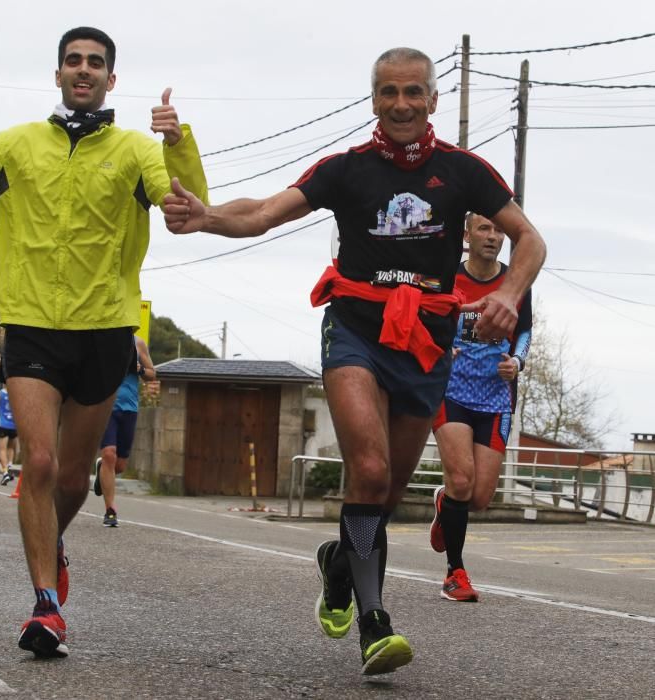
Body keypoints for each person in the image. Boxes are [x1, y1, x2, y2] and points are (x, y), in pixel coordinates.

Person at [163, 47, 546, 675]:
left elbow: (531, 237)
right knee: (366, 471)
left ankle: (337, 567)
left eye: (413, 92)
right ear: (374, 100)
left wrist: (507, 292)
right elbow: (261, 214)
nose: (401, 104)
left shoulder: (464, 171)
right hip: (356, 331)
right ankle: (375, 623)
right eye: (389, 93)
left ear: (432, 100)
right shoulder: (345, 170)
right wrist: (207, 217)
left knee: (385, 493)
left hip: (426, 342)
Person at [0, 25, 208, 658]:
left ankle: (53, 542)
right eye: (73, 61)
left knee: (73, 476)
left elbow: (189, 212)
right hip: (31, 324)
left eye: (95, 63)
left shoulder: (136, 150)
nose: (84, 70)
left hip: (105, 327)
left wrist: (178, 146)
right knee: (40, 465)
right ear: (57, 75)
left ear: (111, 79)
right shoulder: (16, 144)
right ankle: (46, 606)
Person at [431, 213, 532, 601]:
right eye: (485, 229)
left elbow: (524, 329)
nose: (493, 237)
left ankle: (444, 505)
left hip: (495, 397)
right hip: (450, 390)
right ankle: (455, 574)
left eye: (499, 231)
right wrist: (443, 346)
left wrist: (517, 363)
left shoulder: (515, 281)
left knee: (478, 497)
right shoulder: (446, 274)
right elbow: (428, 319)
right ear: (467, 234)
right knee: (461, 480)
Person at [94, 336, 155, 526]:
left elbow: (152, 374)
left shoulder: (138, 343)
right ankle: (110, 511)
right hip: (105, 406)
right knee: (109, 454)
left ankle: (101, 469)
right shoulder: (101, 339)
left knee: (119, 466)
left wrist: (140, 369)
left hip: (129, 408)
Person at [0, 381, 18, 486]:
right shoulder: (16, 393)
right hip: (14, 425)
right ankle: (10, 466)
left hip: (3, 425)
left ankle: (5, 473)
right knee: (11, 448)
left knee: (2, 450)